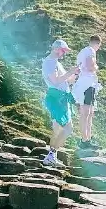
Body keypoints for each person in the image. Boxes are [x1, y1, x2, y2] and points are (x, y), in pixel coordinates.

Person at [41, 39, 78, 167]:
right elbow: (55, 81)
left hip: (60, 98)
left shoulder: (55, 63)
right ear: (56, 49)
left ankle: (51, 156)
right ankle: (51, 155)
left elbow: (66, 81)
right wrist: (70, 72)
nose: (64, 53)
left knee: (57, 128)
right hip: (57, 98)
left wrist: (74, 75)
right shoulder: (50, 62)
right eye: (63, 50)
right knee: (68, 129)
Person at [73, 35, 103, 151]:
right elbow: (91, 66)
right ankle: (85, 140)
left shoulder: (82, 52)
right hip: (88, 84)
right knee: (86, 112)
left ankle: (87, 138)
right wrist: (96, 66)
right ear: (98, 44)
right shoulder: (90, 51)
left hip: (85, 84)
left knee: (89, 112)